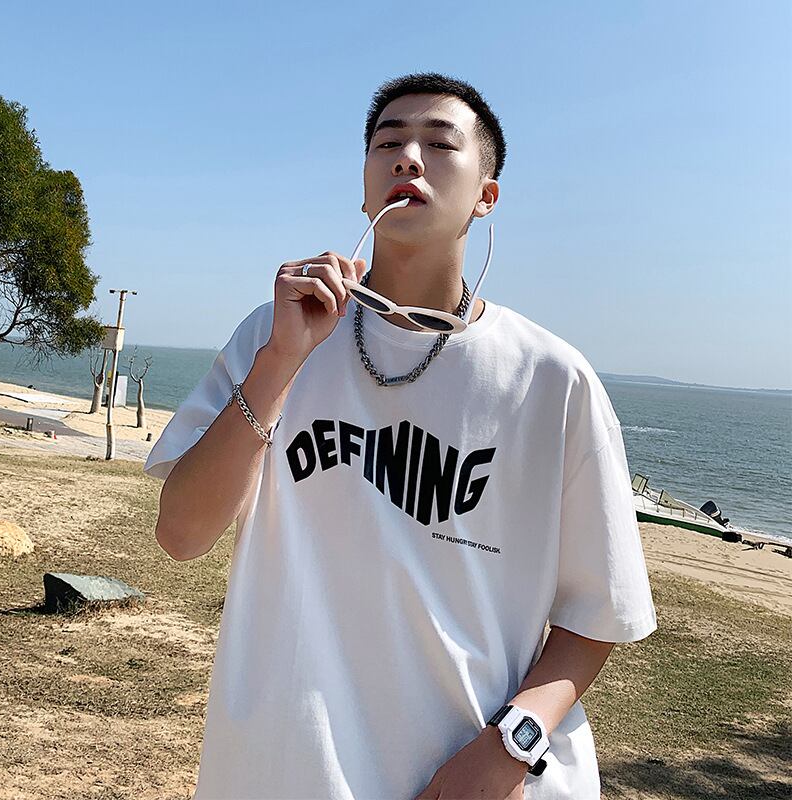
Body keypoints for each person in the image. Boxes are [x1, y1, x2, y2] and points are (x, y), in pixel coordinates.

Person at [144, 71, 657, 800]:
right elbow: (181, 533)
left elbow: (596, 611)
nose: (408, 158)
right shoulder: (274, 334)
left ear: (485, 196)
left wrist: (511, 747)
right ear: (365, 190)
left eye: (439, 145)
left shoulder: (552, 379)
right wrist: (283, 360)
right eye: (388, 144)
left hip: (473, 775)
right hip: (280, 767)